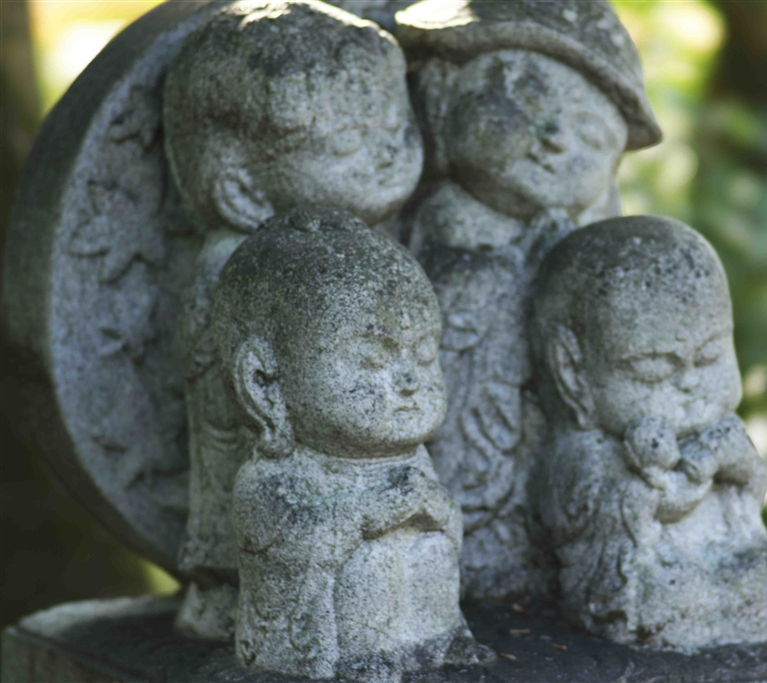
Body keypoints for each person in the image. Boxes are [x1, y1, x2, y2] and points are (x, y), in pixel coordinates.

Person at [162, 0, 424, 638]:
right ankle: (228, 588)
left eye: (396, 126)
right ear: (242, 187)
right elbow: (235, 424)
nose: (389, 153)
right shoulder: (234, 270)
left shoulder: (380, 245)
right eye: (347, 141)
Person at [389, 0, 662, 601]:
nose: (557, 138)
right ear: (441, 92)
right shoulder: (435, 219)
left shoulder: (578, 248)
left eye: (591, 134)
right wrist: (502, 273)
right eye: (527, 95)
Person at [213, 209, 488, 680]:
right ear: (264, 383)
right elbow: (295, 550)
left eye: (424, 354)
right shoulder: (269, 480)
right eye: (370, 360)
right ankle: (356, 657)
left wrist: (437, 509)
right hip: (330, 642)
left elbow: (449, 526)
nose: (408, 380)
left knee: (428, 552)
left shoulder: (417, 459)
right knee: (369, 564)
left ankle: (437, 640)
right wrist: (368, 515)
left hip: (422, 628)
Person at [530, 215, 767, 649]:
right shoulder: (585, 453)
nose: (689, 382)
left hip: (718, 557)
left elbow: (750, 491)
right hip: (646, 577)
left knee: (765, 574)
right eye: (653, 367)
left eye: (710, 356)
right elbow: (592, 509)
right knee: (670, 594)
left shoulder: (721, 429)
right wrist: (665, 484)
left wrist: (742, 467)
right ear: (572, 372)